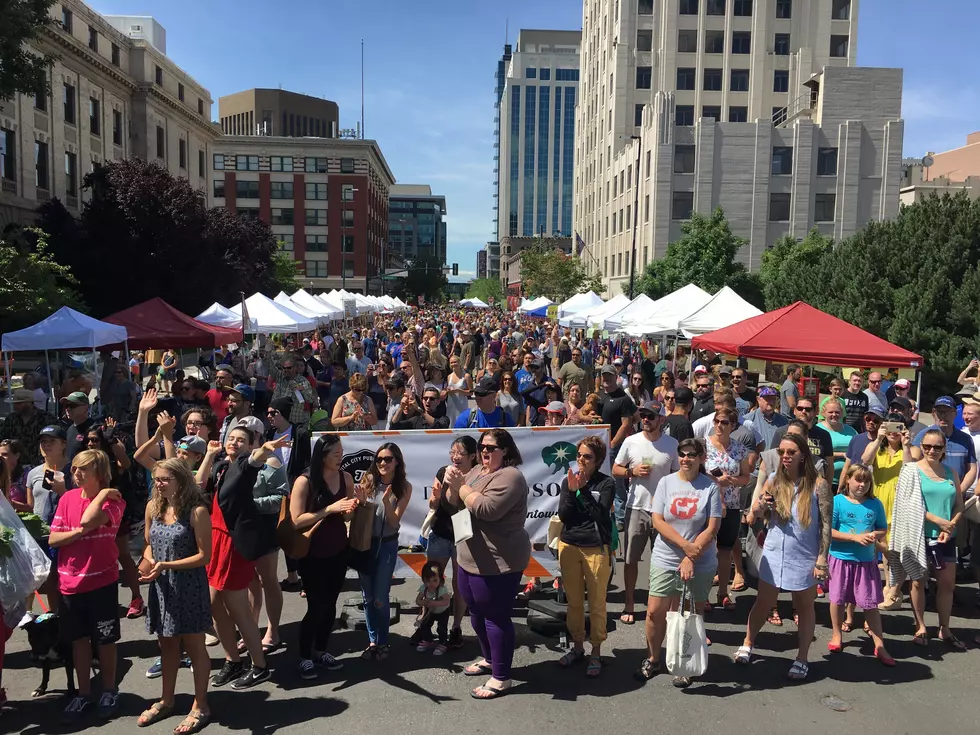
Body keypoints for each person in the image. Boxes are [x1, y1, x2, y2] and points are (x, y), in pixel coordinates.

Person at [442, 428, 530, 700]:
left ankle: (502, 677)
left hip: (499, 560)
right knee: (476, 613)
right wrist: (450, 486)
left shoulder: (511, 476)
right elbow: (453, 504)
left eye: (491, 448)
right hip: (470, 556)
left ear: (505, 450)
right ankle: (491, 659)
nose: (484, 451)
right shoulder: (477, 470)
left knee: (495, 616)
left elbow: (486, 510)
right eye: (482, 446)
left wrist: (461, 487)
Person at [737, 433, 832, 681]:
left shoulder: (818, 485)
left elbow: (825, 525)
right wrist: (762, 506)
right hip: (775, 552)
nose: (785, 457)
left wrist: (822, 558)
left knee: (804, 606)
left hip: (804, 555)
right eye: (781, 452)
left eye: (791, 452)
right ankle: (748, 643)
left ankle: (802, 657)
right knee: (763, 602)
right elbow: (754, 515)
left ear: (803, 455)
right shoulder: (773, 480)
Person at [635, 438, 721, 688]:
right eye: (682, 454)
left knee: (690, 614)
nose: (686, 459)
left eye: (692, 455)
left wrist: (690, 556)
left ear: (701, 458)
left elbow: (712, 527)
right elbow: (658, 521)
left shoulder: (710, 487)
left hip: (700, 562)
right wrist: (685, 548)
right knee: (654, 612)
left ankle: (684, 663)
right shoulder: (666, 482)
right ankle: (653, 658)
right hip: (666, 557)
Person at [48, 449, 126, 723]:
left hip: (101, 581)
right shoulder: (67, 498)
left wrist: (103, 494)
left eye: (83, 470)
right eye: (75, 469)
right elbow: (54, 539)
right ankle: (83, 693)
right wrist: (78, 534)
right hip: (69, 583)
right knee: (78, 641)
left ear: (100, 474)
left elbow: (87, 520)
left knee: (105, 640)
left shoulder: (114, 501)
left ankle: (108, 690)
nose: (76, 474)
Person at [137, 459, 213, 733]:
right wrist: (145, 566)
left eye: (165, 479)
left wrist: (165, 565)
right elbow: (149, 545)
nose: (159, 483)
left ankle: (200, 705)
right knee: (167, 646)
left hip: (188, 585)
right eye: (156, 478)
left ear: (181, 479)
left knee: (194, 648)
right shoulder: (153, 507)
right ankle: (167, 700)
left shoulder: (197, 512)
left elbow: (205, 556)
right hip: (161, 586)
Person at [202, 428, 278, 690]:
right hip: (214, 539)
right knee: (213, 603)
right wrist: (209, 455)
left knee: (238, 609)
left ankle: (259, 666)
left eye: (241, 440)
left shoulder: (246, 466)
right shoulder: (221, 465)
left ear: (248, 446)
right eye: (231, 438)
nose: (234, 442)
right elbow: (200, 485)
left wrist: (264, 450)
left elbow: (255, 460)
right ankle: (233, 660)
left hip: (234, 544)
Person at [289, 434, 357, 679]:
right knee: (316, 606)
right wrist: (328, 509)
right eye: (335, 453)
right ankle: (305, 656)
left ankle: (321, 650)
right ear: (322, 454)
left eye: (341, 451)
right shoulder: (305, 481)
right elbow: (296, 520)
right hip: (312, 552)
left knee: (330, 605)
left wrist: (352, 508)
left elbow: (347, 518)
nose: (340, 456)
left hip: (339, 550)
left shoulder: (346, 478)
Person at [892, 429, 966, 649]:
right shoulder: (911, 471)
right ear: (921, 446)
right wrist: (938, 520)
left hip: (946, 538)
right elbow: (908, 504)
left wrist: (951, 524)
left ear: (944, 449)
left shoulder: (951, 472)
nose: (931, 451)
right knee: (917, 581)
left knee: (947, 584)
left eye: (937, 447)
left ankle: (945, 627)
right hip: (919, 535)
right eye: (927, 447)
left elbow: (959, 504)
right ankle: (921, 625)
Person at [613, 401, 679, 624]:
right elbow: (615, 468)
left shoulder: (672, 444)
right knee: (631, 559)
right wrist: (632, 471)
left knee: (664, 561)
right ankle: (629, 603)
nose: (646, 420)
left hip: (663, 511)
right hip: (636, 507)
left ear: (661, 419)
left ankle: (660, 605)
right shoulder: (631, 441)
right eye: (643, 416)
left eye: (651, 416)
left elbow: (679, 475)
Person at [556, 436, 615, 677]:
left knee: (597, 602)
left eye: (587, 456)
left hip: (595, 548)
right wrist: (571, 491)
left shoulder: (606, 484)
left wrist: (583, 491)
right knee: (574, 602)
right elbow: (564, 516)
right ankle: (578, 647)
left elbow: (601, 516)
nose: (581, 460)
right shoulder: (567, 481)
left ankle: (597, 651)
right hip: (569, 545)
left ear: (598, 460)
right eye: (579, 455)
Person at [826, 464, 894, 665]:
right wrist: (854, 538)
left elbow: (881, 528)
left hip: (865, 561)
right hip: (841, 558)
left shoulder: (875, 504)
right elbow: (829, 531)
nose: (862, 485)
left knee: (869, 603)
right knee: (837, 600)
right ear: (847, 479)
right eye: (858, 479)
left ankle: (880, 644)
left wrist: (875, 535)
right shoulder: (838, 501)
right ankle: (837, 634)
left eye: (866, 481)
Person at [355, 443, 412, 661]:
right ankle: (372, 642)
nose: (382, 463)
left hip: (387, 545)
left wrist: (388, 502)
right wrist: (359, 503)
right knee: (367, 597)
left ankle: (383, 641)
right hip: (366, 545)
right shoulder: (369, 481)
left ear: (397, 461)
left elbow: (394, 521)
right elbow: (359, 513)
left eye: (387, 459)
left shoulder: (404, 487)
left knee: (380, 597)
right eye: (379, 459)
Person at [83, 424, 144, 620]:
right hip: (90, 515)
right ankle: (98, 600)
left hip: (115, 514)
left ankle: (137, 598)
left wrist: (111, 440)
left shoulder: (111, 460)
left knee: (123, 555)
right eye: (89, 440)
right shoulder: (84, 461)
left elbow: (125, 463)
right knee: (95, 556)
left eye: (95, 440)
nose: (91, 443)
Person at [426, 436, 479, 649]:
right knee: (431, 580)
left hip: (463, 532)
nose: (455, 457)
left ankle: (456, 627)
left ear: (473, 457)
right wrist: (436, 496)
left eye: (460, 453)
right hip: (440, 532)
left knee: (460, 584)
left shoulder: (477, 476)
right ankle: (426, 624)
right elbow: (433, 502)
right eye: (452, 452)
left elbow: (464, 505)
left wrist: (458, 485)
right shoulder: (443, 471)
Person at [860, 415, 912, 611]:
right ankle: (886, 588)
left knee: (894, 552)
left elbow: (910, 467)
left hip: (899, 504)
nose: (893, 431)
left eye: (898, 427)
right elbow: (865, 460)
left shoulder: (910, 448)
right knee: (881, 549)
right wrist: (878, 439)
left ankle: (892, 591)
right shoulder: (878, 447)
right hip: (878, 501)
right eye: (889, 427)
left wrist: (906, 445)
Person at [705, 406, 752, 609]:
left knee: (724, 551)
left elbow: (746, 478)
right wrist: (715, 480)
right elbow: (695, 472)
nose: (719, 425)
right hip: (707, 506)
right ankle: (702, 593)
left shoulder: (739, 449)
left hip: (731, 505)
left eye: (724, 422)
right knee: (705, 549)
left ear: (732, 426)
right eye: (716, 421)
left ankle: (723, 592)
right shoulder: (703, 446)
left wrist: (730, 480)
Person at [910, 396, 978, 495]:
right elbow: (913, 462)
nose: (943, 416)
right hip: (929, 494)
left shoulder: (965, 439)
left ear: (955, 413)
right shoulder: (924, 435)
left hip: (957, 496)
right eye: (940, 412)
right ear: (934, 413)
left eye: (947, 412)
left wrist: (958, 492)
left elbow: (972, 469)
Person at [599, 365, 637, 526]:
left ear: (616, 377)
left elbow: (627, 423)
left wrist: (613, 443)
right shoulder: (600, 397)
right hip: (599, 445)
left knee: (617, 481)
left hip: (615, 446)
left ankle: (621, 517)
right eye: (604, 376)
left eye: (610, 376)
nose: (607, 379)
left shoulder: (623, 398)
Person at [0, 388, 57, 466]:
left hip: (39, 463)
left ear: (29, 403)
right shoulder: (11, 419)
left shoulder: (46, 418)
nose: (15, 406)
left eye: (19, 403)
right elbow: (3, 439)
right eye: (14, 403)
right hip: (15, 464)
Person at [410, 560, 453, 655]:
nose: (431, 584)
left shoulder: (442, 589)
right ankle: (428, 640)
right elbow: (418, 601)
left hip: (442, 611)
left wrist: (434, 602)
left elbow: (446, 602)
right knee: (425, 625)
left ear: (440, 579)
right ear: (423, 580)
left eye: (435, 580)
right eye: (428, 581)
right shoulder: (424, 589)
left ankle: (443, 643)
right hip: (430, 612)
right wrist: (423, 602)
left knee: (442, 628)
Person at [818, 397, 857, 489]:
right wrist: (842, 454)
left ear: (842, 414)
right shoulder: (818, 430)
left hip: (849, 480)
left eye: (837, 412)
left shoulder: (851, 430)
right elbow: (817, 452)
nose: (834, 415)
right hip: (824, 480)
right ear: (823, 413)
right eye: (830, 412)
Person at [271, 359, 317, 428]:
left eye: (289, 368)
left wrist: (301, 389)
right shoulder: (281, 381)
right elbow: (274, 399)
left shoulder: (303, 381)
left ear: (295, 368)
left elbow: (310, 399)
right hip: (281, 421)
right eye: (284, 368)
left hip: (296, 421)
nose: (286, 370)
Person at [747, 386, 789, 450]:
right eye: (767, 398)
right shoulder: (748, 420)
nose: (771, 402)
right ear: (758, 399)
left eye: (774, 399)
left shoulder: (784, 422)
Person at [0, 439, 32, 513]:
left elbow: (33, 508)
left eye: (4, 454)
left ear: (17, 455)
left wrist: (11, 503)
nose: (0, 458)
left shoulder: (27, 476)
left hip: (22, 521)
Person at [62, 392, 95, 462]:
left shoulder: (94, 429)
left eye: (72, 406)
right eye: (66, 405)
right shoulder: (70, 429)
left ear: (85, 407)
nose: (67, 409)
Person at [446, 355, 472, 426]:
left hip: (462, 404)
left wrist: (459, 391)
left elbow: (471, 393)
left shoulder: (466, 376)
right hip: (451, 405)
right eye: (451, 363)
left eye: (455, 362)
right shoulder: (449, 376)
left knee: (461, 423)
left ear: (460, 362)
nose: (453, 364)